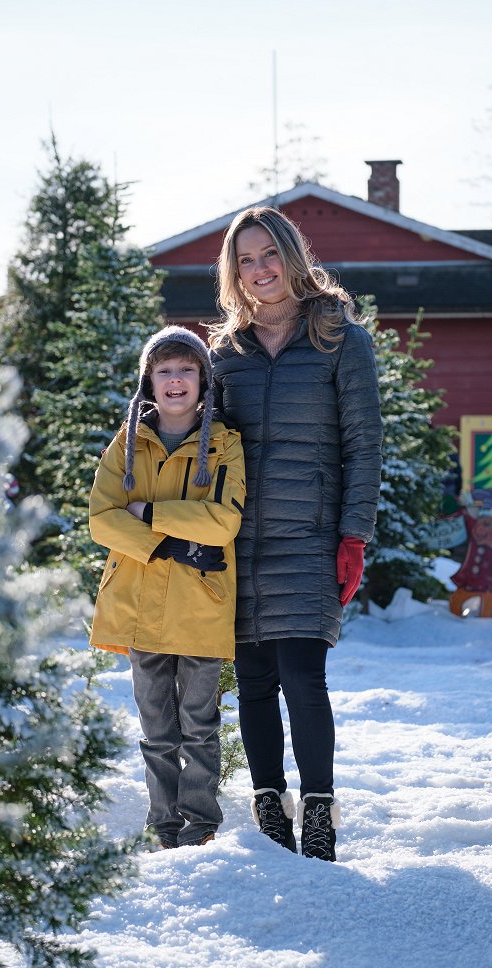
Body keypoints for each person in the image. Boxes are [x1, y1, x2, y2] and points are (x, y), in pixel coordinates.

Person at [209, 207, 382, 862]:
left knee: (302, 674)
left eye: (268, 255)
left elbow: (363, 445)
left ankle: (317, 814)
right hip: (238, 542)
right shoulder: (224, 354)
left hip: (310, 536)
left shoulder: (338, 337)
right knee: (253, 679)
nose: (259, 272)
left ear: (292, 256)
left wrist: (352, 536)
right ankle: (268, 811)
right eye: (244, 261)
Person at [89, 326, 245, 849]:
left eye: (186, 370)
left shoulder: (224, 444)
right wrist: (165, 545)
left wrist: (150, 512)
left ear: (203, 380)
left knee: (199, 725)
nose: (175, 381)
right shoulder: (127, 443)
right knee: (157, 728)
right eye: (164, 371)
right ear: (148, 381)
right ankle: (164, 828)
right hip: (137, 603)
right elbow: (101, 518)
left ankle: (200, 826)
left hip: (200, 604)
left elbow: (223, 522)